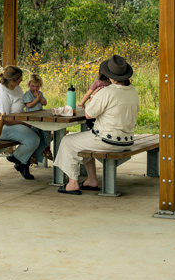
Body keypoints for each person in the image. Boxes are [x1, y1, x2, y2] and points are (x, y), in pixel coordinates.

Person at [53, 55, 138, 194]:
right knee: (84, 140)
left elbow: (89, 114)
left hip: (107, 140)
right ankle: (91, 180)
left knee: (67, 141)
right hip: (127, 140)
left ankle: (72, 183)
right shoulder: (132, 91)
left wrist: (93, 96)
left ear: (109, 75)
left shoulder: (107, 92)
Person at [0, 65, 48, 180]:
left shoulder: (17, 88)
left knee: (41, 132)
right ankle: (16, 157)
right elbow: (3, 119)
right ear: (13, 80)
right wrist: (24, 123)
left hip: (18, 123)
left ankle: (22, 164)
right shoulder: (2, 95)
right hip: (3, 127)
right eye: (20, 78)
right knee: (33, 139)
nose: (22, 80)